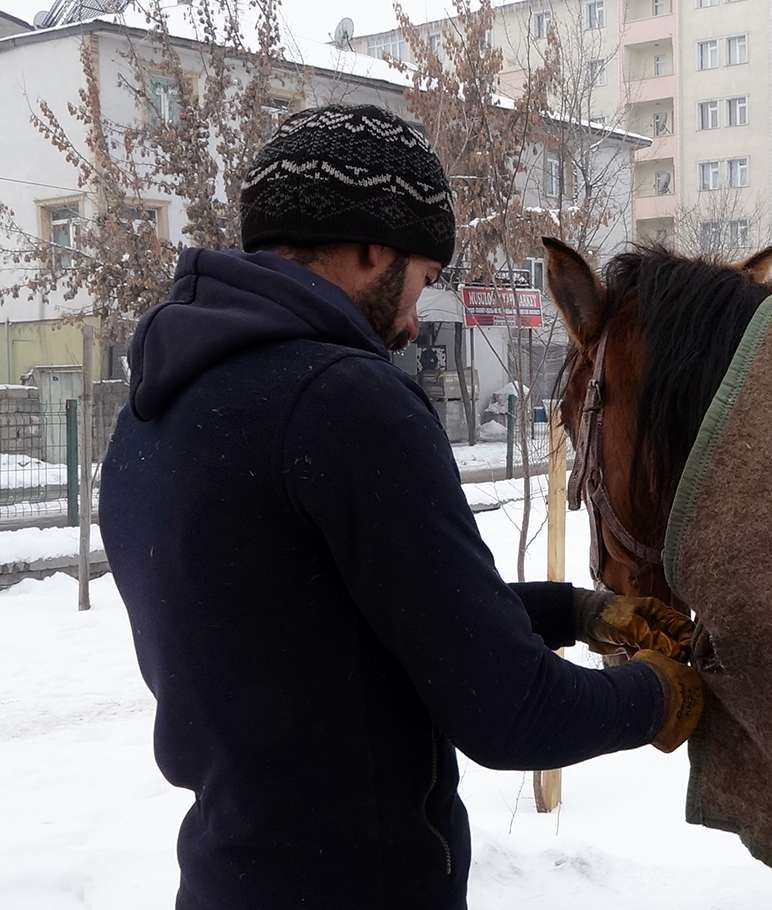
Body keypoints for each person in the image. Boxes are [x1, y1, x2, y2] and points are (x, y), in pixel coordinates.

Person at [101, 104, 703, 910]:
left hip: (224, 877)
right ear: (370, 246)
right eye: (421, 279)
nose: (417, 318)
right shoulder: (346, 402)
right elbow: (510, 710)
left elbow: (343, 631)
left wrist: (579, 610)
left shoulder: (150, 412)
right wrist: (665, 693)